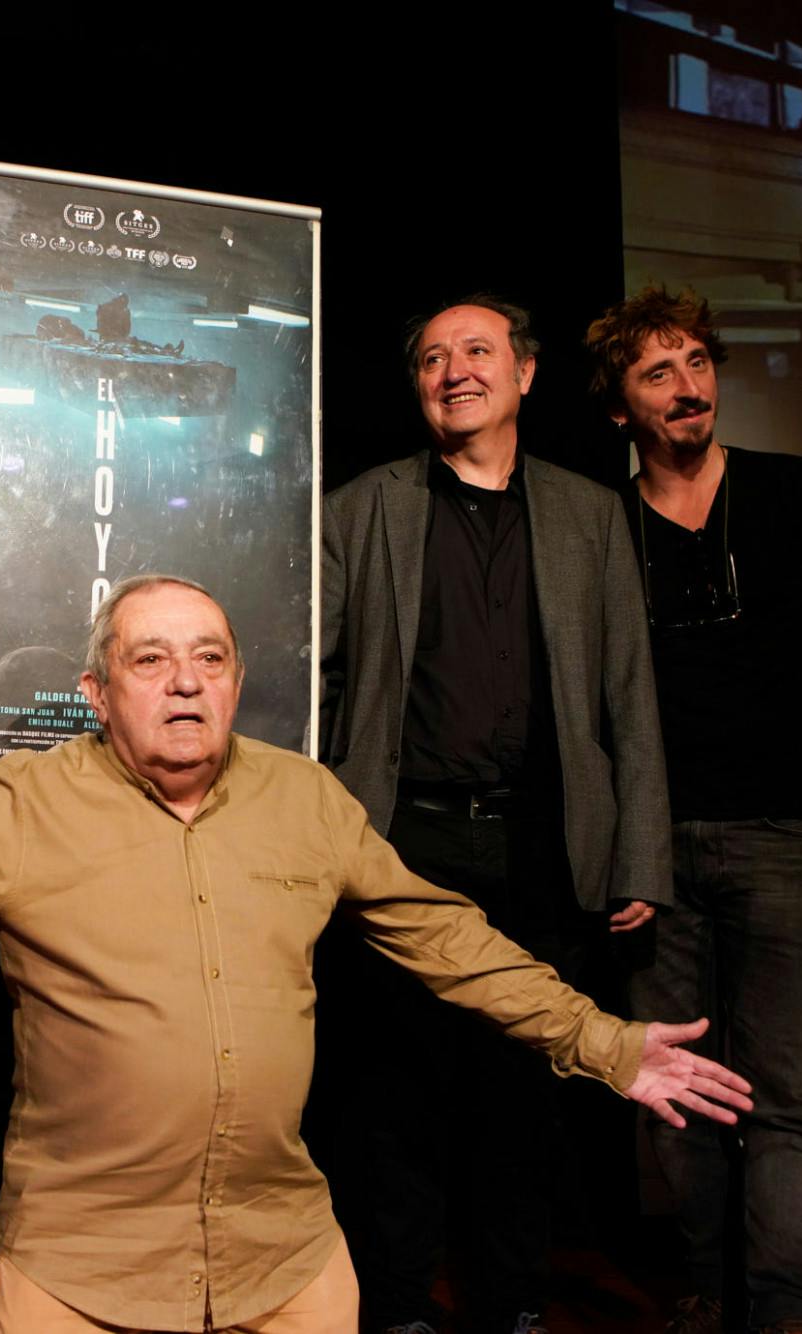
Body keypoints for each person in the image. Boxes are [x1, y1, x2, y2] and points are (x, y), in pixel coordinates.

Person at [0, 574, 749, 1334]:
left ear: (236, 681)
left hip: (284, 1258)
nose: (182, 683)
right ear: (96, 690)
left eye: (207, 657)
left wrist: (604, 1040)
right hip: (80, 1266)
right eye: (149, 660)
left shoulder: (305, 800)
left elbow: (449, 939)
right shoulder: (19, 807)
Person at [315, 297, 670, 1334]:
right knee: (389, 1093)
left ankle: (511, 1303)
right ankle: (396, 1307)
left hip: (538, 840)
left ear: (523, 374)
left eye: (474, 351)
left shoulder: (588, 513)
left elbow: (627, 693)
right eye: (431, 356)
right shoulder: (361, 507)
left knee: (519, 1097)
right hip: (397, 839)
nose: (452, 369)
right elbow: (315, 677)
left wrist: (638, 851)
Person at [584, 286, 802, 1334]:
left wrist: (796, 747)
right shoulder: (598, 527)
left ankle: (787, 1315)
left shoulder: (797, 493)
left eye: (694, 364)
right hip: (655, 850)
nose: (687, 387)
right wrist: (620, 844)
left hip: (786, 837)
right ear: (618, 407)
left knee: (784, 1102)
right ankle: (707, 1290)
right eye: (656, 372)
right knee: (677, 1105)